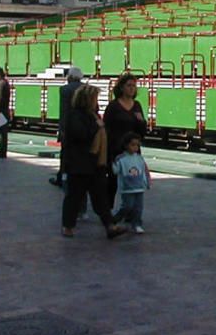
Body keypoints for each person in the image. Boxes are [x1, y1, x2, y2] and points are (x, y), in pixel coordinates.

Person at [60, 84, 124, 240]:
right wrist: (97, 127)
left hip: (96, 164)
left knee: (100, 197)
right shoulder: (75, 116)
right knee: (74, 197)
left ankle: (110, 226)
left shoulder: (93, 115)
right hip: (80, 164)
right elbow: (81, 135)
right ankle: (68, 226)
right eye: (94, 98)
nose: (97, 102)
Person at [103, 73, 147, 209]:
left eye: (134, 86)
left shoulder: (137, 105)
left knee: (133, 180)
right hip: (116, 148)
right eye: (129, 85)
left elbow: (142, 131)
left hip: (133, 151)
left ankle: (130, 211)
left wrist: (141, 121)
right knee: (112, 181)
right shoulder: (113, 106)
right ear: (121, 87)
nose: (132, 88)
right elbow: (106, 128)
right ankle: (108, 210)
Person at [50, 66, 84, 187]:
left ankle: (62, 177)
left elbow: (64, 111)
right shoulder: (87, 88)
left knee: (65, 154)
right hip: (84, 127)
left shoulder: (64, 90)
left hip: (69, 127)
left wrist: (62, 129)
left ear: (70, 77)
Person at [112, 132, 151, 234]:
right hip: (127, 188)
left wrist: (146, 182)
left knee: (138, 207)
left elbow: (143, 171)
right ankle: (115, 219)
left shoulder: (139, 158)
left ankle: (137, 224)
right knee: (127, 206)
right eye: (133, 145)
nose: (135, 147)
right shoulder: (121, 159)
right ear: (126, 145)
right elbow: (115, 171)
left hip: (139, 187)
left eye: (137, 145)